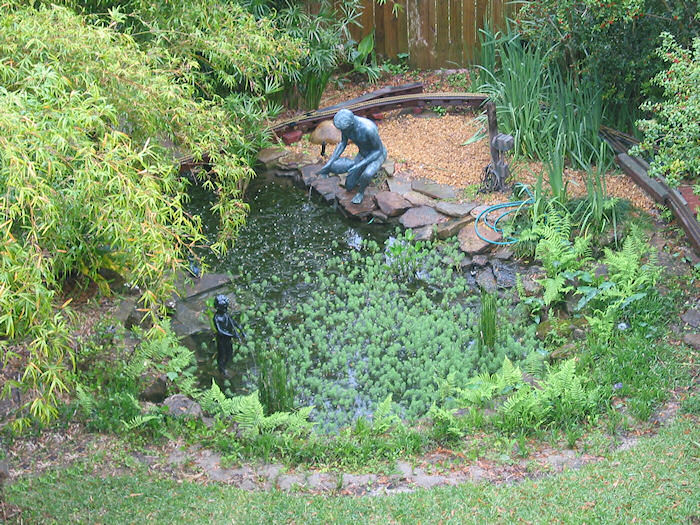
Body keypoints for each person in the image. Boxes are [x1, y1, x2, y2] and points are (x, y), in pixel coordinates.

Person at [317, 109, 387, 204]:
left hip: (377, 155)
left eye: (344, 130)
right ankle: (357, 169)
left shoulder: (368, 129)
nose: (342, 131)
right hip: (363, 153)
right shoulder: (346, 127)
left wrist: (359, 165)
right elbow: (343, 143)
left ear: (351, 124)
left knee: (367, 174)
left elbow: (377, 151)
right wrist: (329, 163)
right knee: (349, 186)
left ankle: (361, 193)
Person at [212, 294, 245, 376]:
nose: (226, 309)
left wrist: (241, 331)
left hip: (228, 340)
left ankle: (225, 366)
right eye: (224, 308)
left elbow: (234, 323)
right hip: (221, 340)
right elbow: (220, 331)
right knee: (222, 354)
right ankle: (221, 369)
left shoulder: (226, 315)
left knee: (229, 353)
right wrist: (232, 335)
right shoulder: (216, 318)